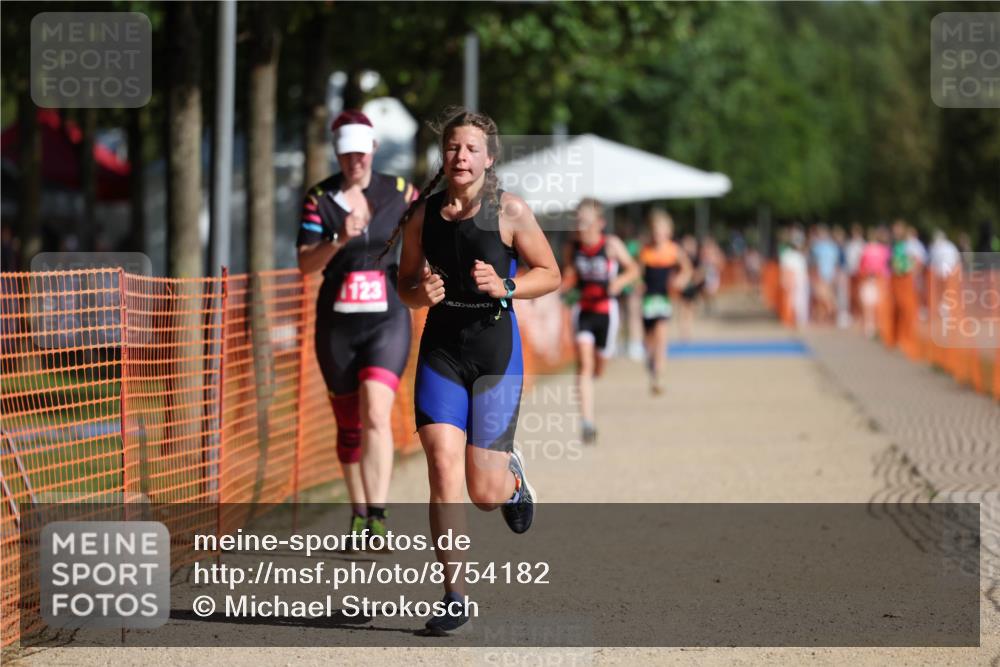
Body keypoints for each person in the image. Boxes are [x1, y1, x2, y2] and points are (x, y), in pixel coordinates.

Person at [391, 108, 561, 635]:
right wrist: (422, 294)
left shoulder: (509, 211)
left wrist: (507, 287)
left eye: (470, 149)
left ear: (489, 158)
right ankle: (454, 594)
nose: (460, 156)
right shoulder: (422, 216)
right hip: (442, 350)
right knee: (442, 468)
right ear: (443, 157)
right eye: (452, 148)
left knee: (482, 493)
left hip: (494, 355)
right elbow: (404, 284)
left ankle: (512, 483)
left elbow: (550, 273)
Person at [296, 109, 415, 546]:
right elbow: (304, 264)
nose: (355, 162)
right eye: (346, 154)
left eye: (361, 153)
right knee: (348, 426)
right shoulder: (319, 198)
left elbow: (431, 226)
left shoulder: (400, 192)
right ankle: (359, 511)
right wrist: (338, 239)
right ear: (337, 153)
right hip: (337, 326)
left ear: (374, 151)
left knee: (376, 412)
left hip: (387, 319)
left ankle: (378, 517)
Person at [560, 198, 639, 444]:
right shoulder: (573, 247)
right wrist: (559, 290)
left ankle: (592, 379)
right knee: (584, 365)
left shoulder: (612, 245)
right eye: (578, 221)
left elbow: (634, 269)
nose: (581, 226)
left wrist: (620, 282)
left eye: (585, 221)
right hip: (583, 310)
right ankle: (587, 422)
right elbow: (569, 274)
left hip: (607, 312)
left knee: (599, 367)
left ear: (599, 223)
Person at [638, 209, 692, 395]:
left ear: (669, 232)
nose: (658, 234)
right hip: (647, 300)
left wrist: (680, 280)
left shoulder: (674, 251)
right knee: (648, 340)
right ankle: (651, 361)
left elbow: (687, 269)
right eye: (655, 231)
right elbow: (637, 273)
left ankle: (659, 376)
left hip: (663, 298)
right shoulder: (645, 252)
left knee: (661, 337)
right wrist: (637, 284)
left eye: (661, 231)